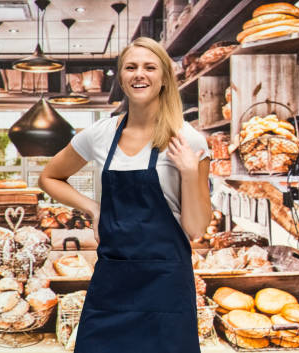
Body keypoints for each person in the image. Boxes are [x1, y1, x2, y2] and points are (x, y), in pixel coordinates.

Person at [38, 37, 211, 352]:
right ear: (121, 78)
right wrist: (93, 208)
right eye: (130, 67)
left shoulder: (189, 141)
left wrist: (188, 172)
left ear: (164, 79)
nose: (139, 74)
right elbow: (50, 176)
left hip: (167, 286)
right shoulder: (100, 134)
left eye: (149, 67)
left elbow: (197, 229)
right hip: (113, 283)